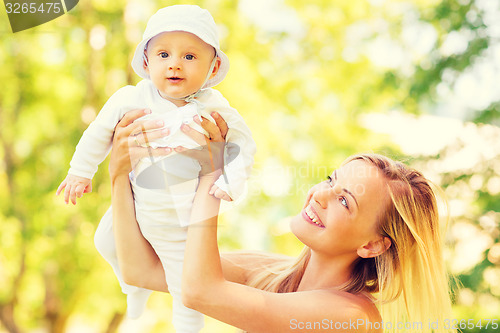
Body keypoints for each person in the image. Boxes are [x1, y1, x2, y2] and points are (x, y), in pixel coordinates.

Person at [108, 109, 457, 333]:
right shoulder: (269, 272)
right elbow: (143, 270)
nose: (320, 195)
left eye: (343, 201)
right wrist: (119, 175)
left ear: (372, 244)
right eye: (331, 180)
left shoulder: (352, 319)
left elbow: (200, 292)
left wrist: (213, 177)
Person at [56, 4, 256, 331]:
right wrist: (80, 171)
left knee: (186, 287)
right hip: (135, 202)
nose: (175, 64)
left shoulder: (215, 107)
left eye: (190, 57)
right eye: (164, 54)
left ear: (213, 66)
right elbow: (98, 132)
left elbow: (244, 145)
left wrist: (231, 182)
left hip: (178, 218)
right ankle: (133, 288)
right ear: (147, 62)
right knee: (105, 241)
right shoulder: (131, 97)